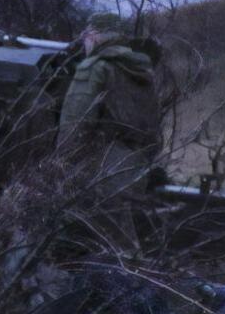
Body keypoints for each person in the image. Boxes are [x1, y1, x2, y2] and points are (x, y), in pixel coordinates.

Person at [57, 11, 163, 192]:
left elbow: (74, 124)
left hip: (100, 169)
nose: (85, 42)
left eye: (86, 36)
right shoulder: (142, 69)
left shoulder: (94, 67)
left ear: (94, 36)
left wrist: (61, 167)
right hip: (136, 167)